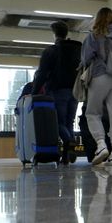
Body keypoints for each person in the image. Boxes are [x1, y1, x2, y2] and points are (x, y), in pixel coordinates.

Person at [32, 20, 82, 164]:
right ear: (66, 34)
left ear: (54, 34)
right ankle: (67, 156)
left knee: (59, 122)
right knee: (69, 122)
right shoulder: (77, 50)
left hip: (57, 91)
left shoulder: (50, 51)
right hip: (75, 91)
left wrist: (35, 92)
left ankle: (70, 142)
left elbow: (42, 74)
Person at [81, 7, 112, 166]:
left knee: (92, 112)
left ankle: (101, 145)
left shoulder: (94, 36)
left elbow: (86, 58)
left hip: (101, 75)